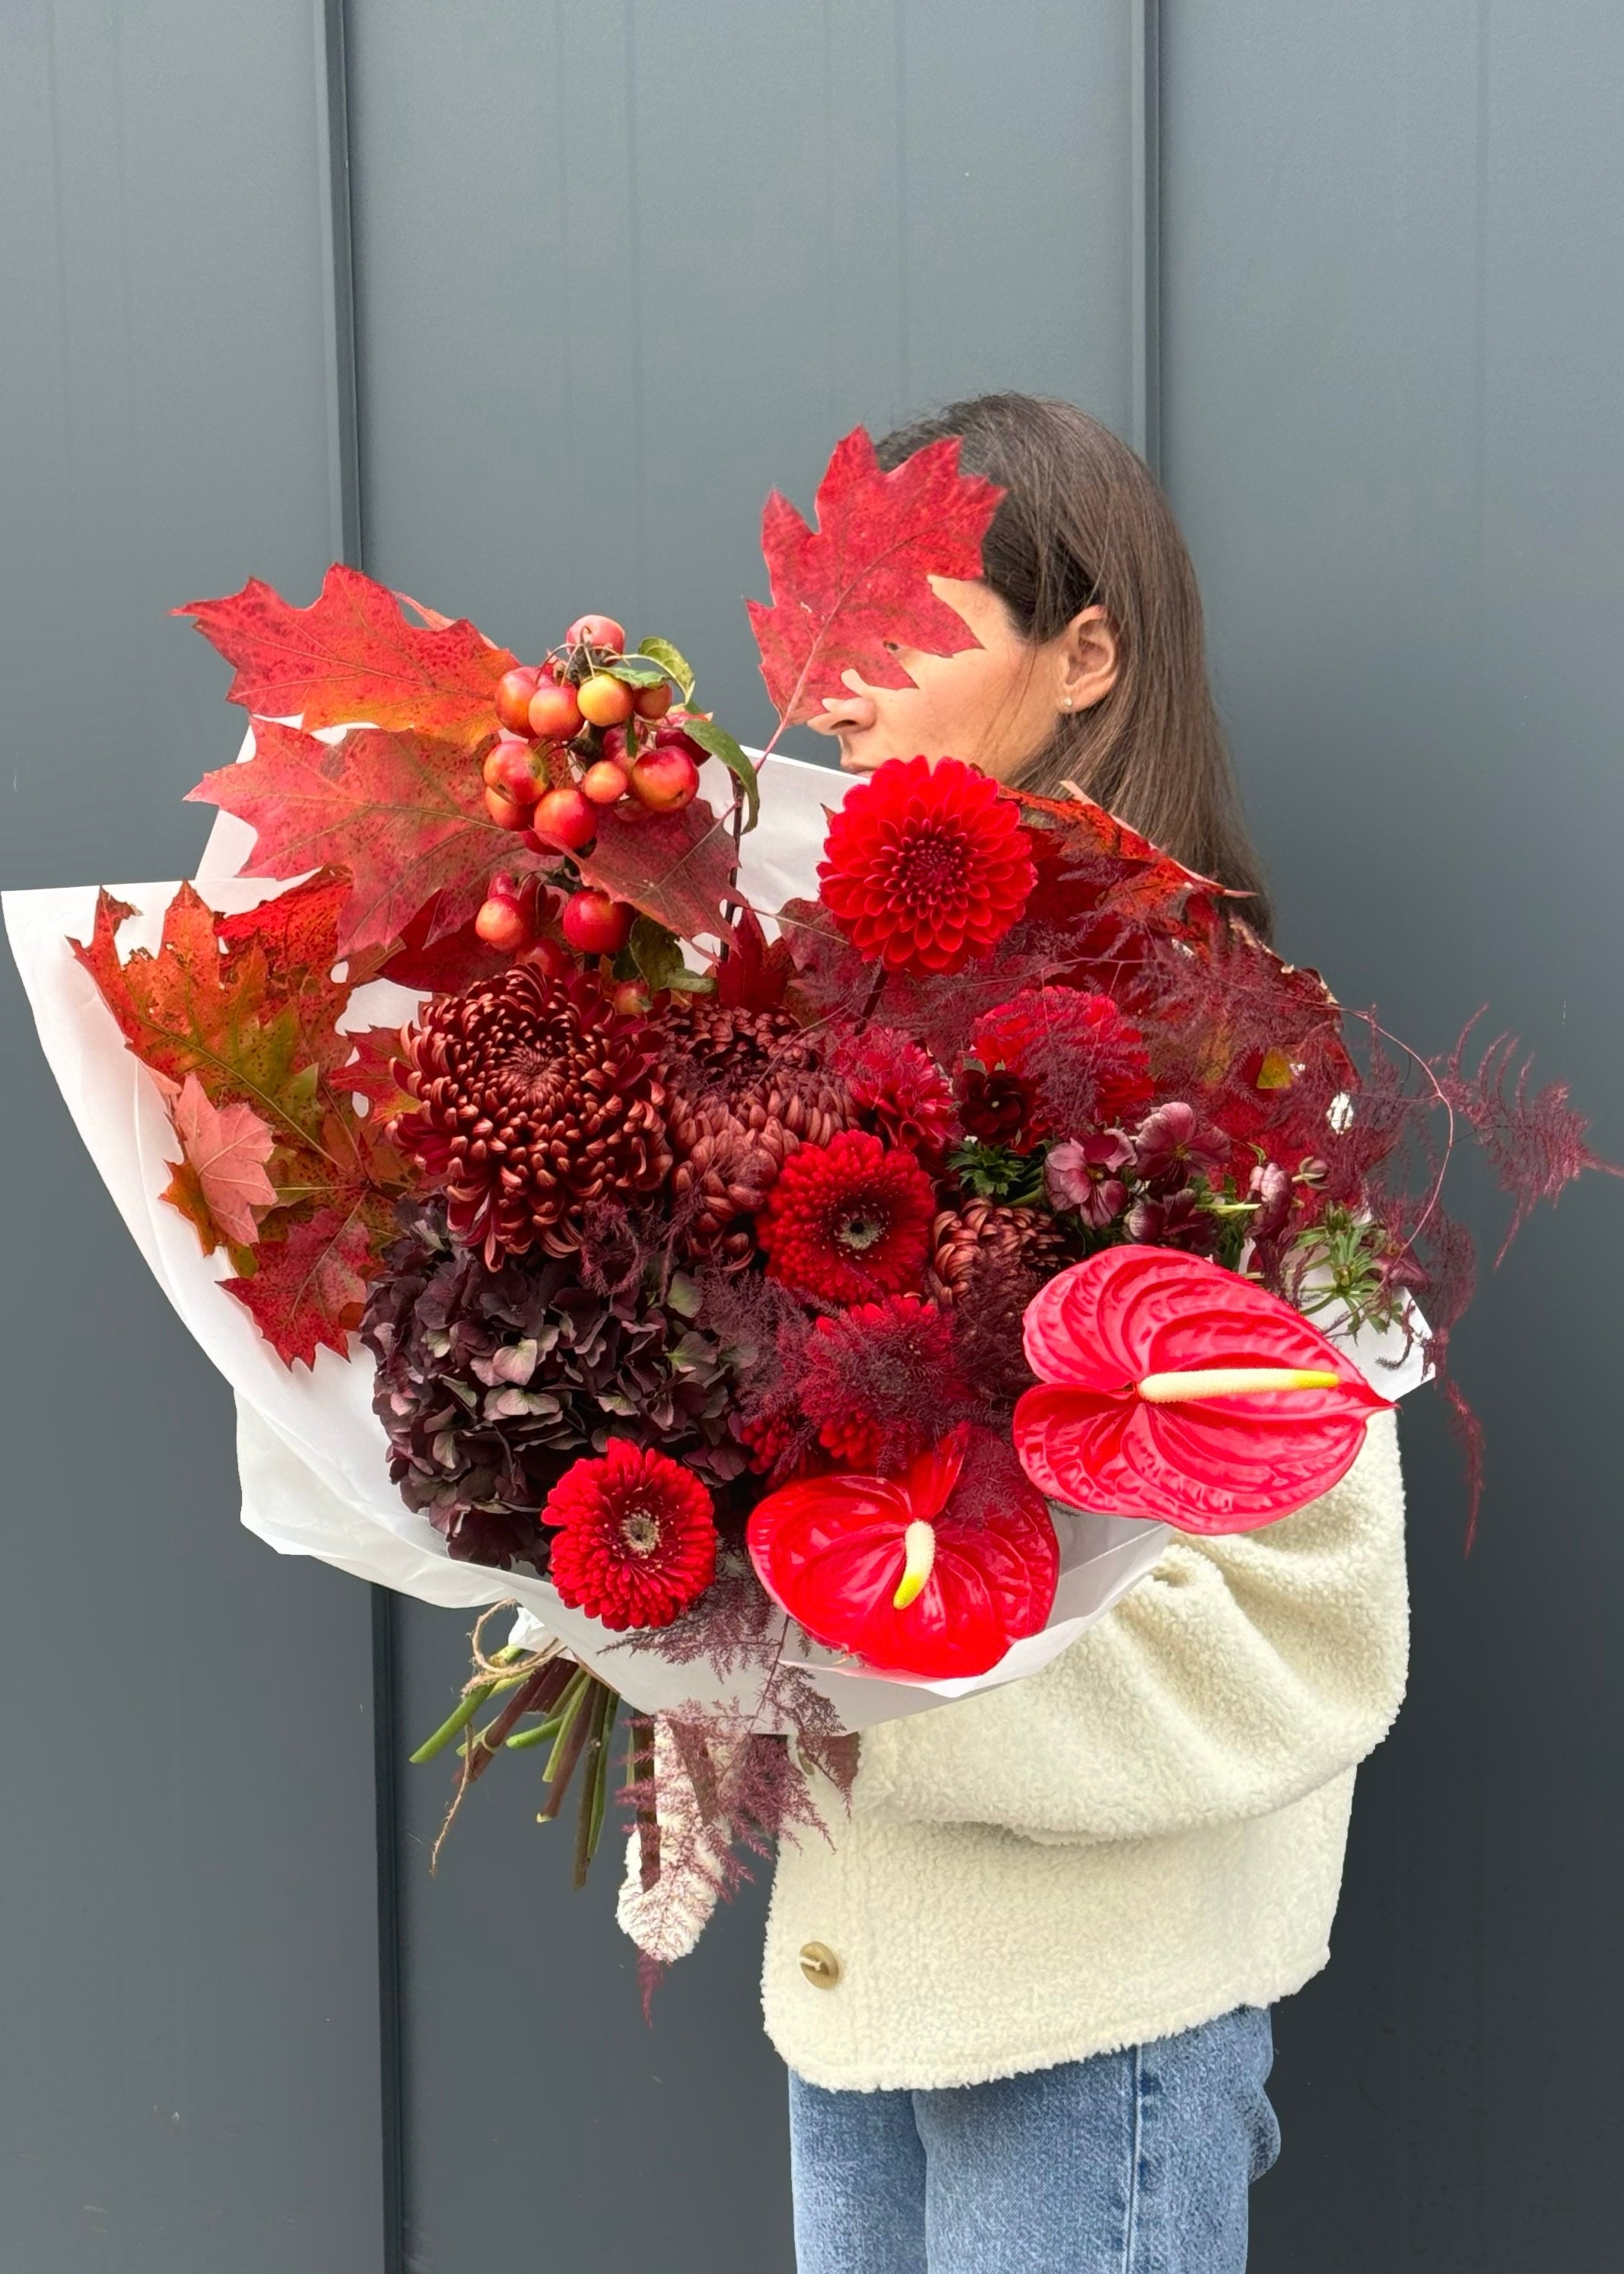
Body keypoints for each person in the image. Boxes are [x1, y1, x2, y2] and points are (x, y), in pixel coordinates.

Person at [771, 395, 1409, 2272]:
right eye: (829, 631)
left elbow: (1308, 1619)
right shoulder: (819, 1030)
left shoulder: (1225, 1070)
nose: (838, 691)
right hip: (861, 1990)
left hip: (1091, 2025)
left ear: (1086, 656)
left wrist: (865, 1684)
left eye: (909, 627)